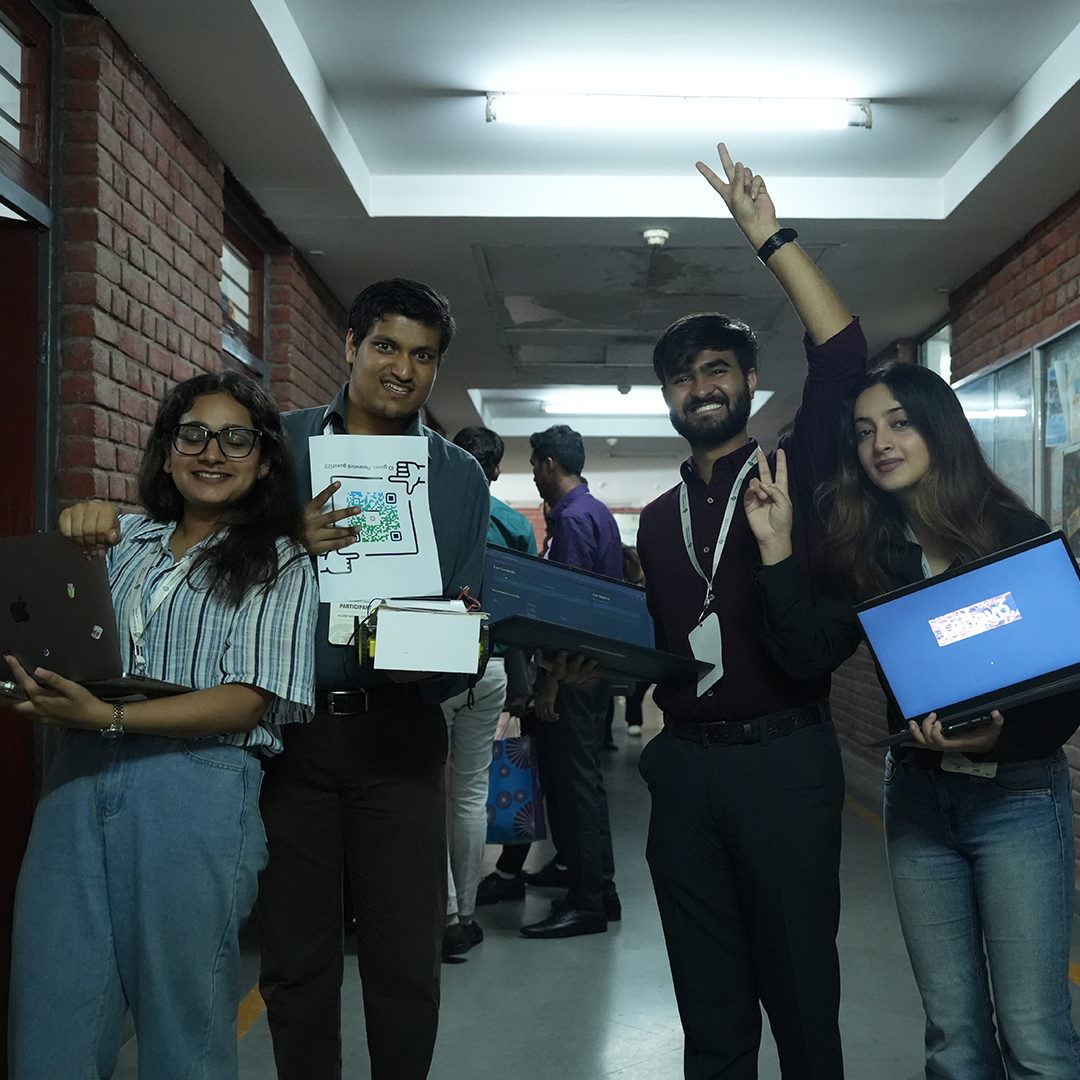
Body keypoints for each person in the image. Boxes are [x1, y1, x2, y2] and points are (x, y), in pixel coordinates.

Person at [746, 362, 1080, 1079]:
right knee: (953, 1038)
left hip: (1018, 796)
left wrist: (1003, 736)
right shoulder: (869, 549)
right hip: (920, 796)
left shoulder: (1013, 533)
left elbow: (1066, 683)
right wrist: (776, 548)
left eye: (899, 423)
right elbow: (806, 655)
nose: (881, 443)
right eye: (865, 431)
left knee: (1036, 1036)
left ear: (940, 430)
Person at [5, 371, 317, 1080]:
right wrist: (75, 534)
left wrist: (110, 715)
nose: (213, 452)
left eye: (236, 438)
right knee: (52, 1006)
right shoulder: (121, 544)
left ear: (265, 460)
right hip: (77, 779)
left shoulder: (281, 559)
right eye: (194, 434)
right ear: (168, 451)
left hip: (196, 787)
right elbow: (60, 638)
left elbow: (248, 699)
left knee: (184, 1020)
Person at [634, 143, 867, 1079]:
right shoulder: (656, 520)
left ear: (748, 381)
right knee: (709, 1009)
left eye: (718, 369)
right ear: (667, 397)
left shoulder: (795, 469)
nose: (702, 387)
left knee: (802, 1002)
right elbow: (662, 645)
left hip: (785, 766)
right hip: (687, 774)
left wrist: (769, 239)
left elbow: (842, 355)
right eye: (683, 377)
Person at [254, 278, 490, 1080]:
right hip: (290, 732)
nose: (403, 369)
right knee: (297, 961)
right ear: (351, 344)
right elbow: (218, 569)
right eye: (387, 346)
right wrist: (284, 538)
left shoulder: (458, 477)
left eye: (423, 356)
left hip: (402, 736)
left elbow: (469, 615)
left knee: (405, 961)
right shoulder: (278, 447)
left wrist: (449, 647)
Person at [517, 423, 623, 939]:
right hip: (589, 671)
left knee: (575, 786)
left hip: (573, 674)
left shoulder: (575, 520)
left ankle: (587, 903)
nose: (535, 477)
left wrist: (550, 680)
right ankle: (599, 890)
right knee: (584, 783)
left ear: (548, 464)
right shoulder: (591, 512)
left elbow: (568, 609)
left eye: (535, 467)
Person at [440, 425, 536, 957]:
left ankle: (444, 913)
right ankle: (467, 915)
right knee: (471, 793)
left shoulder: (435, 512)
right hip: (492, 666)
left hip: (436, 664)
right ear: (497, 470)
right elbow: (524, 612)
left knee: (432, 790)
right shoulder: (515, 524)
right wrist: (524, 684)